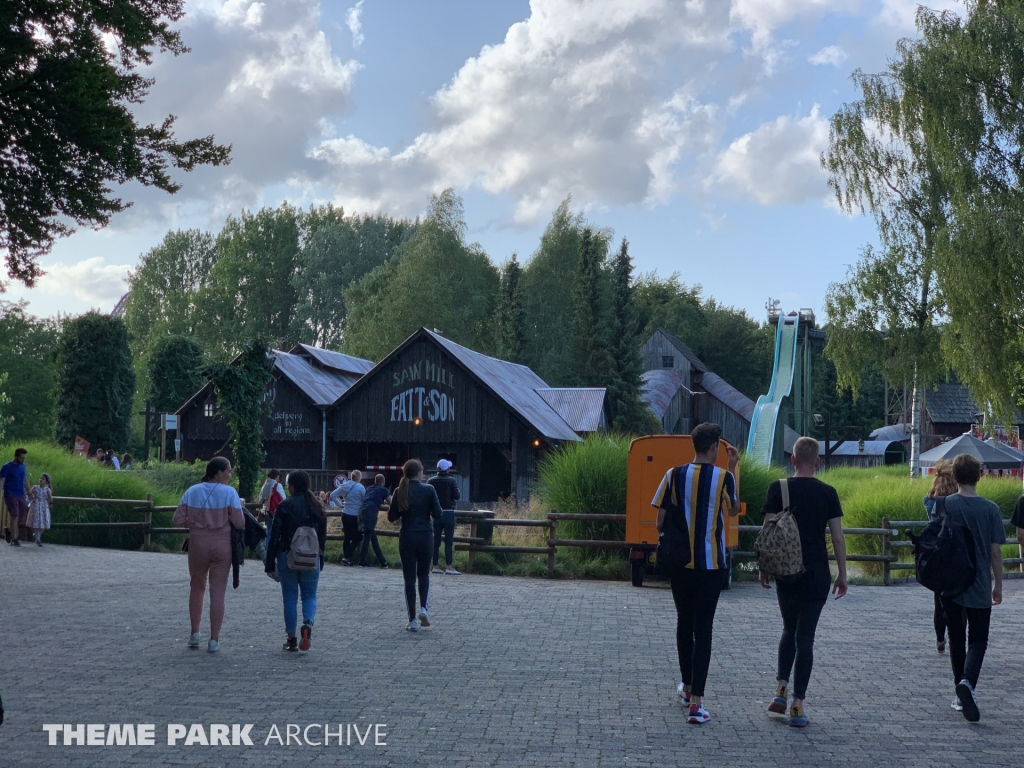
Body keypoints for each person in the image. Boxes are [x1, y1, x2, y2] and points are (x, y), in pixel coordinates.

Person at [652, 423, 741, 725]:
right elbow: (733, 511)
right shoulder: (724, 477)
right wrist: (733, 467)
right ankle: (698, 704)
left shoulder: (673, 475)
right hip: (711, 566)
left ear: (694, 444)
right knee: (703, 629)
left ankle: (687, 687)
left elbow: (659, 520)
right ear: (715, 446)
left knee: (683, 623)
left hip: (680, 564)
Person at [759, 436, 848, 728]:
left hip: (787, 571)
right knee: (806, 637)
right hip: (816, 573)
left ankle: (781, 688)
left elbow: (767, 533)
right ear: (818, 462)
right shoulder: (828, 493)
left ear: (793, 460)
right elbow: (836, 536)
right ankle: (798, 704)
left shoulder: (778, 488)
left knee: (788, 628)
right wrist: (843, 573)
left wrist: (764, 567)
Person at [940, 454, 1005, 722]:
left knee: (956, 637)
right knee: (978, 640)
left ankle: (959, 692)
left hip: (951, 583)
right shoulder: (991, 509)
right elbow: (995, 552)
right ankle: (967, 683)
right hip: (979, 582)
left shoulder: (946, 505)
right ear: (979, 476)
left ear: (954, 476)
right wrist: (998, 583)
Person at [172, 457, 245, 653]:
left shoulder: (192, 491)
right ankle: (214, 640)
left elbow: (177, 520)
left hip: (198, 543)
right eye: (228, 471)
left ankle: (195, 633)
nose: (230, 475)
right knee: (218, 591)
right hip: (222, 545)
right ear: (220, 473)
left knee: (197, 587)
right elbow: (240, 523)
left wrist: (194, 524)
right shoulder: (230, 493)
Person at [265, 470, 326, 653]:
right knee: (310, 596)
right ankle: (308, 622)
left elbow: (274, 536)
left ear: (291, 487)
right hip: (311, 557)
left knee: (289, 598)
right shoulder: (317, 507)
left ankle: (291, 638)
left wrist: (270, 563)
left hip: (287, 556)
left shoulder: (284, 506)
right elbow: (322, 537)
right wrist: (320, 558)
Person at [388, 459, 441, 632]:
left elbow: (391, 517)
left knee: (409, 578)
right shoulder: (429, 490)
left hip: (407, 536)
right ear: (419, 473)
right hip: (425, 535)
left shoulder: (399, 490)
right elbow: (438, 514)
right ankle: (424, 609)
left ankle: (411, 619)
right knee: (424, 574)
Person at [923, 461, 959, 653]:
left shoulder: (929, 501)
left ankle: (939, 639)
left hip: (936, 553)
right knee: (958, 598)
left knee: (938, 600)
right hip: (956, 552)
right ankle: (957, 636)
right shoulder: (957, 501)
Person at [429, 459, 461, 575]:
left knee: (436, 540)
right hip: (448, 512)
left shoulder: (431, 481)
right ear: (447, 469)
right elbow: (457, 496)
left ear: (437, 469)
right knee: (448, 541)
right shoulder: (451, 480)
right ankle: (449, 566)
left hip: (436, 513)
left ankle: (435, 565)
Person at [331, 470, 365, 565]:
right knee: (358, 537)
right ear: (359, 477)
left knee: (347, 537)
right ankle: (346, 556)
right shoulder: (360, 487)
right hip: (354, 515)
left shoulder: (344, 485)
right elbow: (364, 500)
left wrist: (340, 504)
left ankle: (347, 558)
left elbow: (332, 495)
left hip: (345, 513)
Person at [358, 474, 391, 568]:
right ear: (383, 482)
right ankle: (362, 561)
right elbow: (390, 502)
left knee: (371, 536)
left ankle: (383, 562)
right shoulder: (384, 489)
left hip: (361, 510)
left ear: (375, 481)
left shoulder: (369, 488)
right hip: (371, 511)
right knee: (368, 536)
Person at [1, 448, 29, 546]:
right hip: (10, 493)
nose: (23, 460)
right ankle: (14, 539)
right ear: (16, 456)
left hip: (21, 493)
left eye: (24, 458)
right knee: (15, 515)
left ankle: (9, 530)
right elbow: (2, 480)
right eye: (21, 458)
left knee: (22, 515)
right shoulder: (7, 467)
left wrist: (29, 491)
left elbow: (25, 479)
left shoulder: (23, 466)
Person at [28, 473, 53, 547]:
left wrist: (50, 504)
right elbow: (30, 494)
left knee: (44, 522)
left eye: (42, 479)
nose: (40, 480)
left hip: (43, 506)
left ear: (46, 481)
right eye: (40, 478)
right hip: (36, 505)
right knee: (36, 521)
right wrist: (30, 499)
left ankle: (37, 535)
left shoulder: (47, 489)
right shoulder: (35, 487)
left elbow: (50, 498)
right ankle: (38, 539)